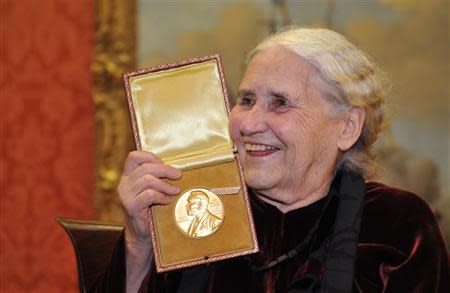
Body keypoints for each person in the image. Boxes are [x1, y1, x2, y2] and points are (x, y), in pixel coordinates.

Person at [93, 27, 450, 292]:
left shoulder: (395, 223)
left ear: (347, 126)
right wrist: (139, 243)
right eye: (246, 100)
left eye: (280, 103)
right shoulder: (199, 209)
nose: (249, 123)